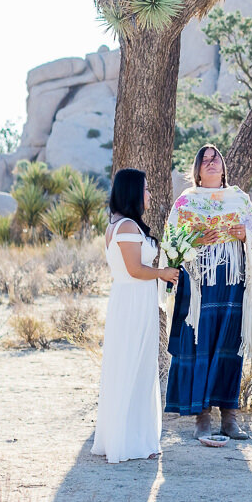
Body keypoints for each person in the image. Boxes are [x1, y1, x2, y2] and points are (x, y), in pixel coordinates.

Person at [164, 145, 252, 447]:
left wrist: (243, 234)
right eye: (204, 161)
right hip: (199, 284)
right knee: (201, 344)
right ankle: (202, 417)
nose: (210, 163)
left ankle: (230, 416)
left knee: (229, 345)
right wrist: (197, 238)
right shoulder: (185, 202)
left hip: (233, 280)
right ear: (196, 170)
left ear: (223, 167)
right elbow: (172, 243)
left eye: (215, 159)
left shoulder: (239, 199)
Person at [91, 168, 179, 464]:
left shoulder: (121, 224)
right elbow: (134, 270)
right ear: (132, 192)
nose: (150, 195)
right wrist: (163, 273)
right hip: (132, 300)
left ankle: (132, 437)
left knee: (135, 365)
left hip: (133, 299)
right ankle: (130, 442)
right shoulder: (127, 227)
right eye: (145, 189)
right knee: (134, 365)